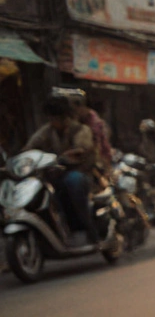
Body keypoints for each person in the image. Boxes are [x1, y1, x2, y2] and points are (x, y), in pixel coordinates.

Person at [25, 96, 100, 243]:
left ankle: (88, 227)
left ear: (64, 117)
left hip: (80, 172)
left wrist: (64, 157)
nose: (52, 121)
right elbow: (30, 146)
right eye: (50, 118)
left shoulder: (81, 130)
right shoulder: (47, 130)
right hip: (54, 175)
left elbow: (81, 149)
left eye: (55, 118)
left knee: (74, 181)